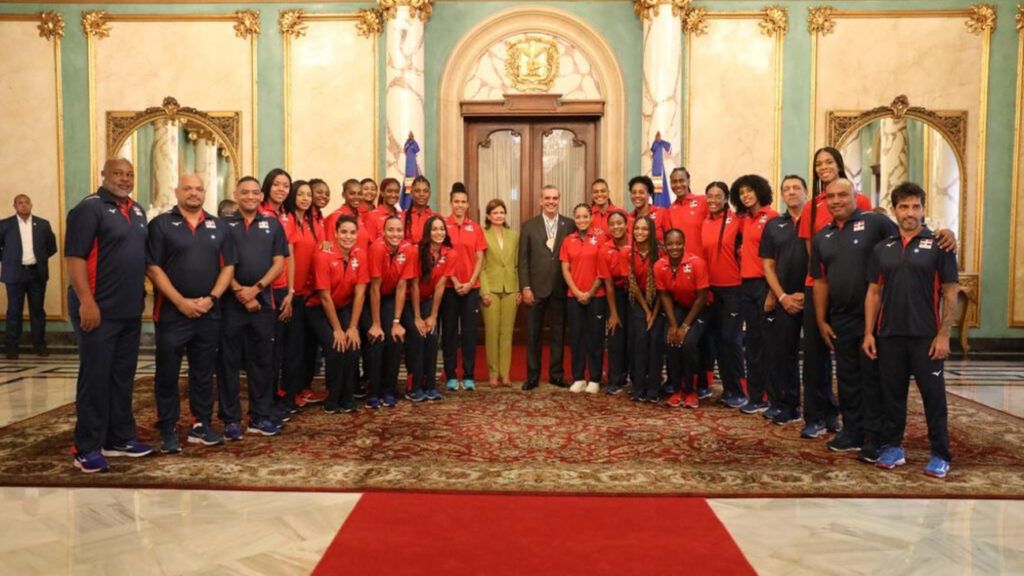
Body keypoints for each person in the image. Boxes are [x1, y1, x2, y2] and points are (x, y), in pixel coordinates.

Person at [863, 182, 958, 478]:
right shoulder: (883, 248)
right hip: (889, 335)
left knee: (933, 397)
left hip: (926, 338)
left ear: (924, 209)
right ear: (894, 210)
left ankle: (940, 453)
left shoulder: (940, 246)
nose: (910, 212)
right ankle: (893, 447)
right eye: (904, 207)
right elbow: (874, 293)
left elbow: (951, 292)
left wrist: (943, 335)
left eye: (916, 206)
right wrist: (869, 333)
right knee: (892, 396)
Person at [65, 158, 153, 473]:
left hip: (129, 311)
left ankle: (119, 438)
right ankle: (86, 447)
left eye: (129, 174)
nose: (125, 178)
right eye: (118, 173)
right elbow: (74, 259)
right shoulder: (89, 209)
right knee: (95, 378)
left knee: (121, 378)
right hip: (98, 310)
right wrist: (86, 301)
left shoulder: (138, 210)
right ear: (103, 175)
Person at [147, 174, 237, 453]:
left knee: (203, 373)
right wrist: (180, 301)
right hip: (172, 314)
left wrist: (211, 299)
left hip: (208, 314)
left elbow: (228, 267)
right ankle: (168, 428)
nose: (194, 193)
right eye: (188, 189)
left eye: (199, 189)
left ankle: (201, 425)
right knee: (167, 373)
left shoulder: (218, 226)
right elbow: (152, 267)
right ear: (177, 192)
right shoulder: (161, 224)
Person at [811, 178, 898, 462]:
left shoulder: (876, 224)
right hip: (840, 318)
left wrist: (944, 234)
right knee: (847, 378)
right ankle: (852, 431)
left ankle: (877, 437)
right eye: (831, 196)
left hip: (875, 318)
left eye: (842, 195)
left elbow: (907, 239)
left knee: (872, 378)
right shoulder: (822, 236)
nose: (836, 201)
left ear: (855, 196)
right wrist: (822, 320)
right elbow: (821, 281)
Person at [797, 147, 869, 438]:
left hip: (853, 291)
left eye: (829, 162)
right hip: (818, 286)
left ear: (839, 165)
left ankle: (859, 420)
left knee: (854, 359)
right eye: (818, 164)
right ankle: (818, 416)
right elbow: (810, 251)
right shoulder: (811, 206)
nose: (823, 167)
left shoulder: (860, 200)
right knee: (815, 357)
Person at [217, 176, 286, 439]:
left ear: (261, 196)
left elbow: (278, 263)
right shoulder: (222, 225)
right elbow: (219, 262)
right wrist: (239, 291)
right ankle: (231, 420)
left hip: (263, 303)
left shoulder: (272, 224)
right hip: (230, 305)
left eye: (255, 192)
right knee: (228, 364)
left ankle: (261, 416)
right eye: (244, 192)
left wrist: (255, 290)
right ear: (236, 194)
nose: (250, 196)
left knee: (263, 363)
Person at [759, 175, 810, 426]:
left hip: (814, 297)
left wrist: (806, 293)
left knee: (815, 358)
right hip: (784, 298)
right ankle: (788, 406)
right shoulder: (774, 225)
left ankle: (820, 412)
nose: (792, 192)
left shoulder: (818, 222)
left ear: (806, 192)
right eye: (787, 189)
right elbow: (768, 265)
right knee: (784, 355)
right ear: (782, 195)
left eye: (796, 188)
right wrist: (781, 295)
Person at [307, 215, 368, 414]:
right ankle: (332, 396)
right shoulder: (323, 254)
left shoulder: (360, 254)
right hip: (318, 308)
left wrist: (352, 327)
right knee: (336, 346)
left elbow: (360, 293)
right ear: (335, 233)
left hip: (344, 306)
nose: (348, 237)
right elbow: (324, 296)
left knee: (352, 345)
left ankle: (347, 395)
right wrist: (337, 329)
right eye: (343, 232)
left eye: (352, 233)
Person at [518, 185, 573, 391]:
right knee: (533, 334)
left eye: (555, 198)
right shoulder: (529, 226)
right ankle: (532, 376)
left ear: (559, 200)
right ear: (541, 201)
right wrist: (525, 287)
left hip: (560, 288)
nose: (551, 201)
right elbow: (522, 260)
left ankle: (556, 375)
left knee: (558, 334)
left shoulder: (569, 224)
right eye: (547, 198)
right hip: (535, 288)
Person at [732, 175, 779, 416]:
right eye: (741, 193)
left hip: (764, 285)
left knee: (768, 343)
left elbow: (777, 259)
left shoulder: (772, 218)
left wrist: (772, 293)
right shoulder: (744, 220)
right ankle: (755, 396)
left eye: (750, 191)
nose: (746, 196)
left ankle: (774, 397)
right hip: (746, 286)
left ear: (760, 191)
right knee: (752, 343)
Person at [701, 181, 746, 408]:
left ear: (726, 197)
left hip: (733, 289)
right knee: (718, 340)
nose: (713, 200)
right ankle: (728, 389)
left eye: (718, 196)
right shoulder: (705, 221)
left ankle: (740, 389)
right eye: (709, 196)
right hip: (711, 289)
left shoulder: (737, 221)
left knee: (731, 339)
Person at [559, 203, 614, 393]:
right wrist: (576, 291)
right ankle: (579, 377)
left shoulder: (600, 239)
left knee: (595, 337)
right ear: (574, 219)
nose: (581, 220)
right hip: (573, 296)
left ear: (591, 218)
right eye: (578, 217)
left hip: (596, 296)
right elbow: (565, 268)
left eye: (585, 216)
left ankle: (595, 378)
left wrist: (590, 292)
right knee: (576, 337)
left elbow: (602, 270)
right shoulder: (568, 240)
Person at [367, 216, 416, 408]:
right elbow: (374, 288)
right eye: (391, 230)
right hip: (373, 297)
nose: (395, 234)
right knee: (377, 339)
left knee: (395, 338)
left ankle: (390, 389)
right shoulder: (377, 248)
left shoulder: (408, 249)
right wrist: (376, 323)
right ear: (383, 232)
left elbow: (402, 287)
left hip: (392, 298)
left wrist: (396, 321)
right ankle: (374, 390)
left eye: (398, 230)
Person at [658, 228, 710, 408]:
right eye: (670, 244)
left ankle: (691, 391)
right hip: (678, 307)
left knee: (688, 345)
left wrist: (685, 326)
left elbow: (702, 297)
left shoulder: (697, 263)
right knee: (671, 341)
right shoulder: (660, 265)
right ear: (664, 245)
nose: (674, 247)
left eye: (678, 243)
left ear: (684, 244)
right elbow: (664, 295)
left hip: (700, 308)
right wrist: (673, 326)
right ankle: (677, 389)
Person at [441, 183, 486, 391]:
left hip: (471, 288)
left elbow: (480, 258)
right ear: (451, 203)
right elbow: (440, 256)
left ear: (468, 204)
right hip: (449, 288)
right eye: (456, 201)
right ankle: (451, 375)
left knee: (469, 333)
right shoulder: (442, 225)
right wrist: (454, 281)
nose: (460, 205)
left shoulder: (475, 228)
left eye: (463, 202)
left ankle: (468, 375)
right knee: (449, 333)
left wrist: (469, 283)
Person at [259, 168, 296, 418]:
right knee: (264, 350)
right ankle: (263, 403)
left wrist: (291, 292)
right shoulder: (258, 213)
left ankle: (276, 397)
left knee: (279, 349)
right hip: (263, 290)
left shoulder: (287, 216)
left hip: (283, 289)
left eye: (285, 186)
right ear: (267, 186)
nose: (281, 189)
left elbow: (289, 256)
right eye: (277, 185)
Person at [1, 194, 57, 358]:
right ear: (14, 206)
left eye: (26, 202)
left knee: (37, 311)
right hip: (14, 273)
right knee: (14, 311)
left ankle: (40, 346)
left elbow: (51, 247)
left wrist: (39, 259)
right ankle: (11, 349)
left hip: (36, 273)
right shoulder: (5, 225)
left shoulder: (43, 224)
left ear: (31, 205)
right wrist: (8, 259)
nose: (23, 205)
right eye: (20, 203)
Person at [407, 215, 456, 401]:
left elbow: (440, 286)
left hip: (428, 300)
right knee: (418, 336)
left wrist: (433, 316)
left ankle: (430, 386)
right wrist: (418, 317)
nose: (439, 233)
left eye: (442, 229)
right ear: (428, 232)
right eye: (435, 229)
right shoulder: (416, 252)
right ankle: (414, 385)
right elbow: (414, 286)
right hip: (409, 301)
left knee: (432, 336)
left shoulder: (449, 253)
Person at [480, 199, 519, 387]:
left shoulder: (514, 235)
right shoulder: (482, 234)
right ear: (488, 216)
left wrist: (518, 288)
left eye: (502, 212)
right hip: (491, 289)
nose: (499, 216)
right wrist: (484, 291)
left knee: (507, 333)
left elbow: (517, 264)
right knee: (492, 333)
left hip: (510, 288)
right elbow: (480, 265)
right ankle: (493, 373)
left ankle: (505, 374)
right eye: (495, 213)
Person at [627, 211, 665, 403]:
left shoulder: (660, 252)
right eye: (637, 229)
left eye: (644, 229)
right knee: (640, 339)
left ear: (651, 232)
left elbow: (663, 288)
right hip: (639, 301)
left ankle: (654, 388)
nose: (640, 232)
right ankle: (638, 386)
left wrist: (654, 312)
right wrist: (646, 311)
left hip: (660, 301)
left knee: (656, 340)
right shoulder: (629, 252)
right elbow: (633, 285)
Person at [600, 209, 630, 395]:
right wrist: (613, 313)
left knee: (635, 337)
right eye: (612, 224)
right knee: (615, 336)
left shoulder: (635, 244)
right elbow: (609, 284)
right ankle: (615, 379)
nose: (616, 227)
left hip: (636, 295)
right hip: (615, 295)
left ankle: (636, 376)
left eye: (620, 223)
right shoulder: (605, 249)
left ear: (627, 225)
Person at [627, 175, 671, 244]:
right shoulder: (629, 218)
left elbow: (670, 239)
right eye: (634, 192)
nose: (637, 195)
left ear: (649, 194)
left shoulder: (661, 213)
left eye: (641, 192)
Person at [404, 176, 434, 244]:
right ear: (411, 193)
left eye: (425, 191)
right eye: (417, 191)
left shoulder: (436, 218)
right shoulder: (403, 216)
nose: (421, 194)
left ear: (430, 194)